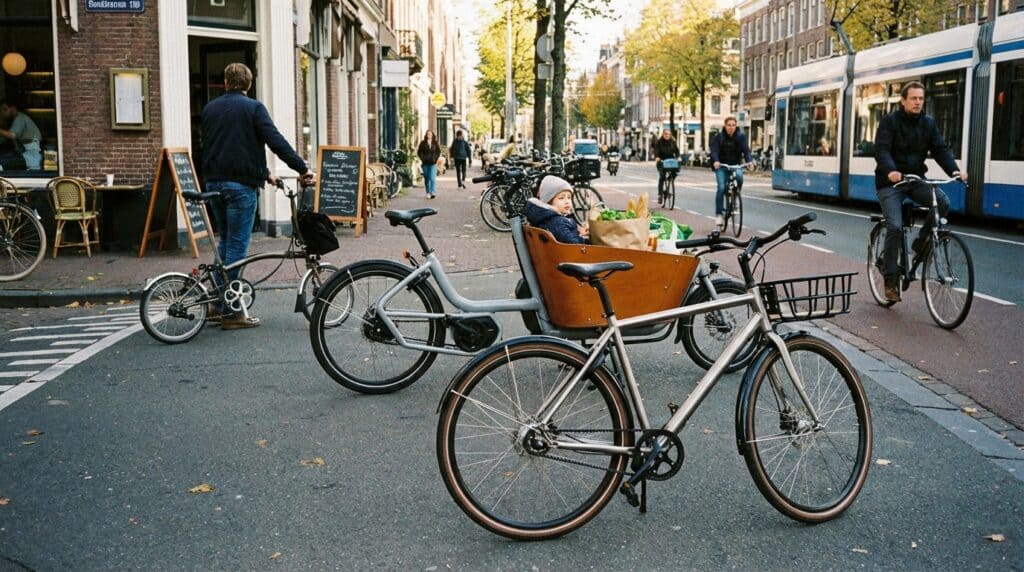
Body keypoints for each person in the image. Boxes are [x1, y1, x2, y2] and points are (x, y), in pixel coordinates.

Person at [200, 62, 315, 330]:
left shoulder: (210, 108)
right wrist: (302, 168)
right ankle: (231, 312)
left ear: (225, 83)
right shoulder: (253, 108)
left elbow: (229, 147)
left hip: (214, 184)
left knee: (226, 243)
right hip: (240, 188)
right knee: (238, 248)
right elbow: (275, 142)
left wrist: (265, 173)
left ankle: (217, 304)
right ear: (249, 85)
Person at [873, 80, 966, 303]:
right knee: (895, 226)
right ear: (903, 101)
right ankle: (890, 279)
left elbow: (940, 149)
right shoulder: (889, 122)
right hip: (891, 183)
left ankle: (921, 242)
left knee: (942, 203)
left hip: (915, 179)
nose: (918, 102)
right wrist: (891, 171)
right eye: (913, 98)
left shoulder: (928, 123)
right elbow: (882, 150)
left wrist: (955, 171)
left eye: (921, 99)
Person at [710, 117, 753, 227]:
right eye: (729, 125)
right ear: (725, 125)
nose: (731, 127)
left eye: (733, 125)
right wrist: (716, 161)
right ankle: (719, 214)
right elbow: (714, 151)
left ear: (736, 125)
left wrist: (749, 162)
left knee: (739, 177)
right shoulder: (719, 137)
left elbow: (746, 151)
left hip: (735, 165)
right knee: (721, 188)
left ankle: (736, 196)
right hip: (722, 166)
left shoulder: (741, 137)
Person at [525, 176, 588, 244]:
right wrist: (587, 239)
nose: (567, 201)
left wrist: (579, 232)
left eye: (569, 197)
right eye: (561, 198)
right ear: (549, 202)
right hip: (569, 253)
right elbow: (574, 243)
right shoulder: (556, 222)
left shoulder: (548, 218)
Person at [0, 99, 43, 171]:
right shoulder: (14, 120)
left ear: (13, 108)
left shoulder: (20, 118)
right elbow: (4, 138)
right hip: (24, 155)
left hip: (30, 155)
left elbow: (12, 135)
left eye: (5, 109)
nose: (2, 112)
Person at [652, 129, 679, 206]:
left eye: (668, 134)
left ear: (670, 135)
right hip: (662, 161)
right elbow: (656, 151)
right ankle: (660, 194)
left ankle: (670, 179)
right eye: (665, 134)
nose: (667, 135)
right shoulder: (659, 142)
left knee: (676, 171)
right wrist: (657, 157)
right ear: (663, 134)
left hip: (670, 162)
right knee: (662, 177)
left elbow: (677, 151)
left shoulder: (672, 141)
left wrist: (677, 157)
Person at [416, 130, 441, 199]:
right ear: (426, 135)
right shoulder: (423, 143)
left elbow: (438, 151)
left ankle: (433, 192)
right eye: (428, 134)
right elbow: (419, 152)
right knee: (427, 178)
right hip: (425, 163)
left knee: (432, 178)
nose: (429, 135)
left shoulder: (435, 143)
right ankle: (428, 192)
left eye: (430, 134)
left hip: (433, 163)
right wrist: (422, 158)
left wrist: (435, 158)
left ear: (432, 135)